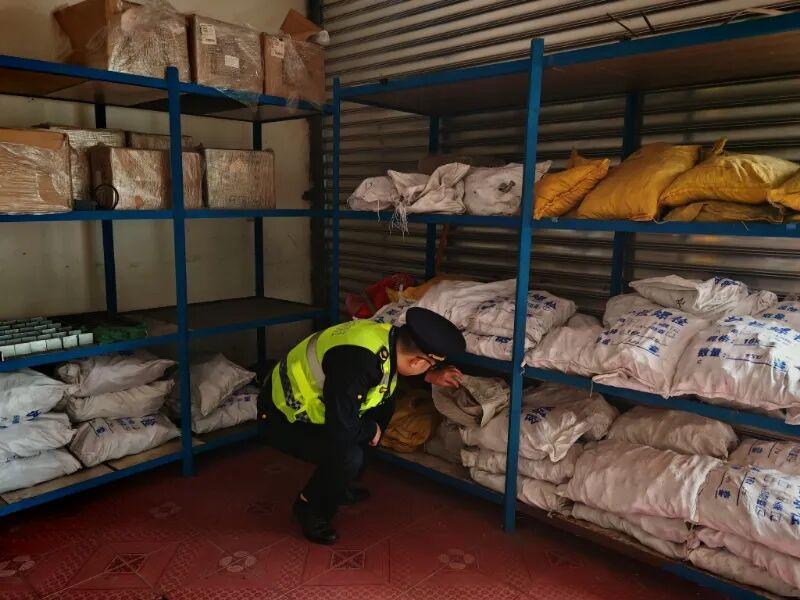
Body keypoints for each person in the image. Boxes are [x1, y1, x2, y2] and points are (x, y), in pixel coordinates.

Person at [258, 307, 465, 544]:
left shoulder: (388, 337)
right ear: (418, 361)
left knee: (383, 407)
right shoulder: (357, 364)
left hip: (322, 407)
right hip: (281, 416)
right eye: (430, 365)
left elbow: (391, 367)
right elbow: (340, 427)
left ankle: (338, 483)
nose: (432, 369)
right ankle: (309, 507)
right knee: (348, 455)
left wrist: (427, 376)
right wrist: (369, 430)